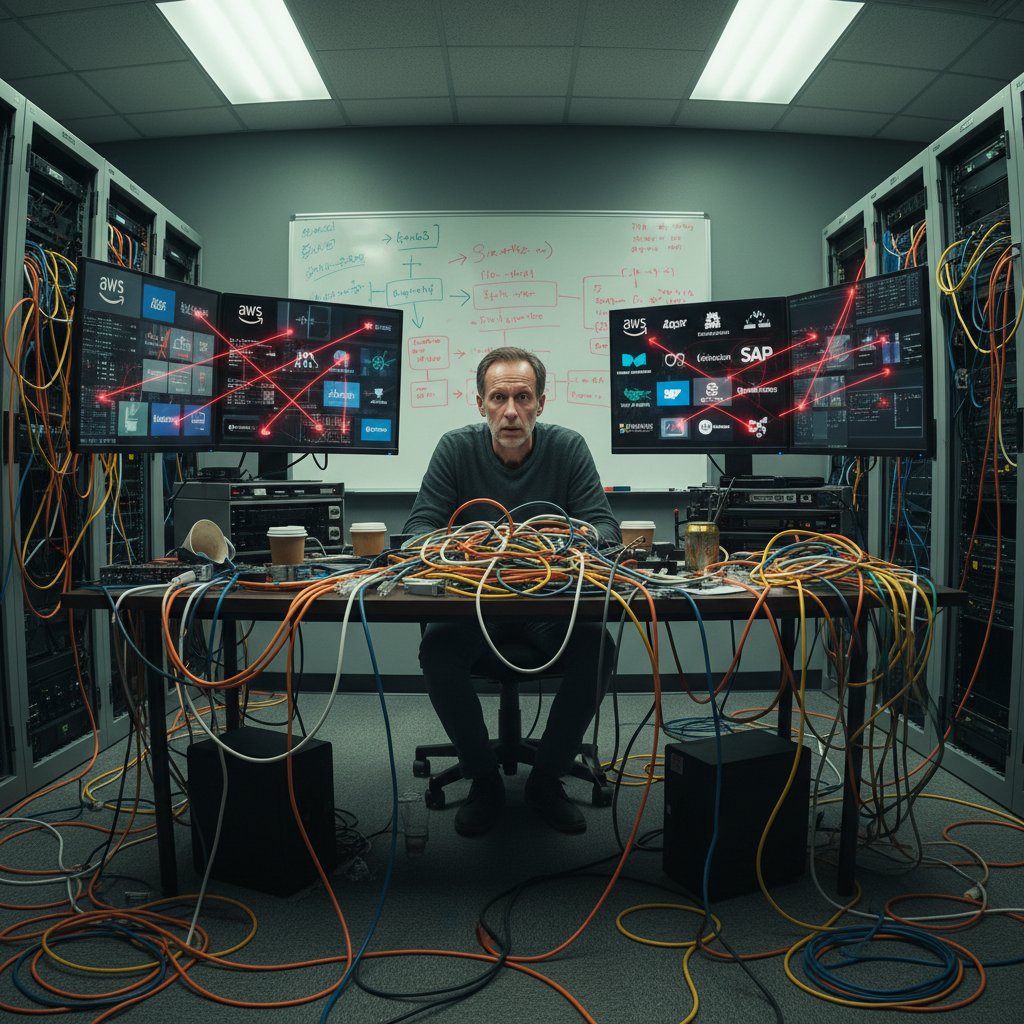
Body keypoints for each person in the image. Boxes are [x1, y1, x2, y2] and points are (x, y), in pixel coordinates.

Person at [403, 347, 619, 837]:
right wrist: (479, 548)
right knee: (437, 650)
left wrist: (560, 542)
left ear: (541, 403)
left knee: (598, 648)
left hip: (549, 605)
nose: (511, 411)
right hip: (475, 607)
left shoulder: (568, 447)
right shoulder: (455, 449)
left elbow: (606, 530)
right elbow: (417, 533)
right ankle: (483, 779)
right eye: (499, 398)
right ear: (480, 403)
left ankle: (547, 779)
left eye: (523, 397)